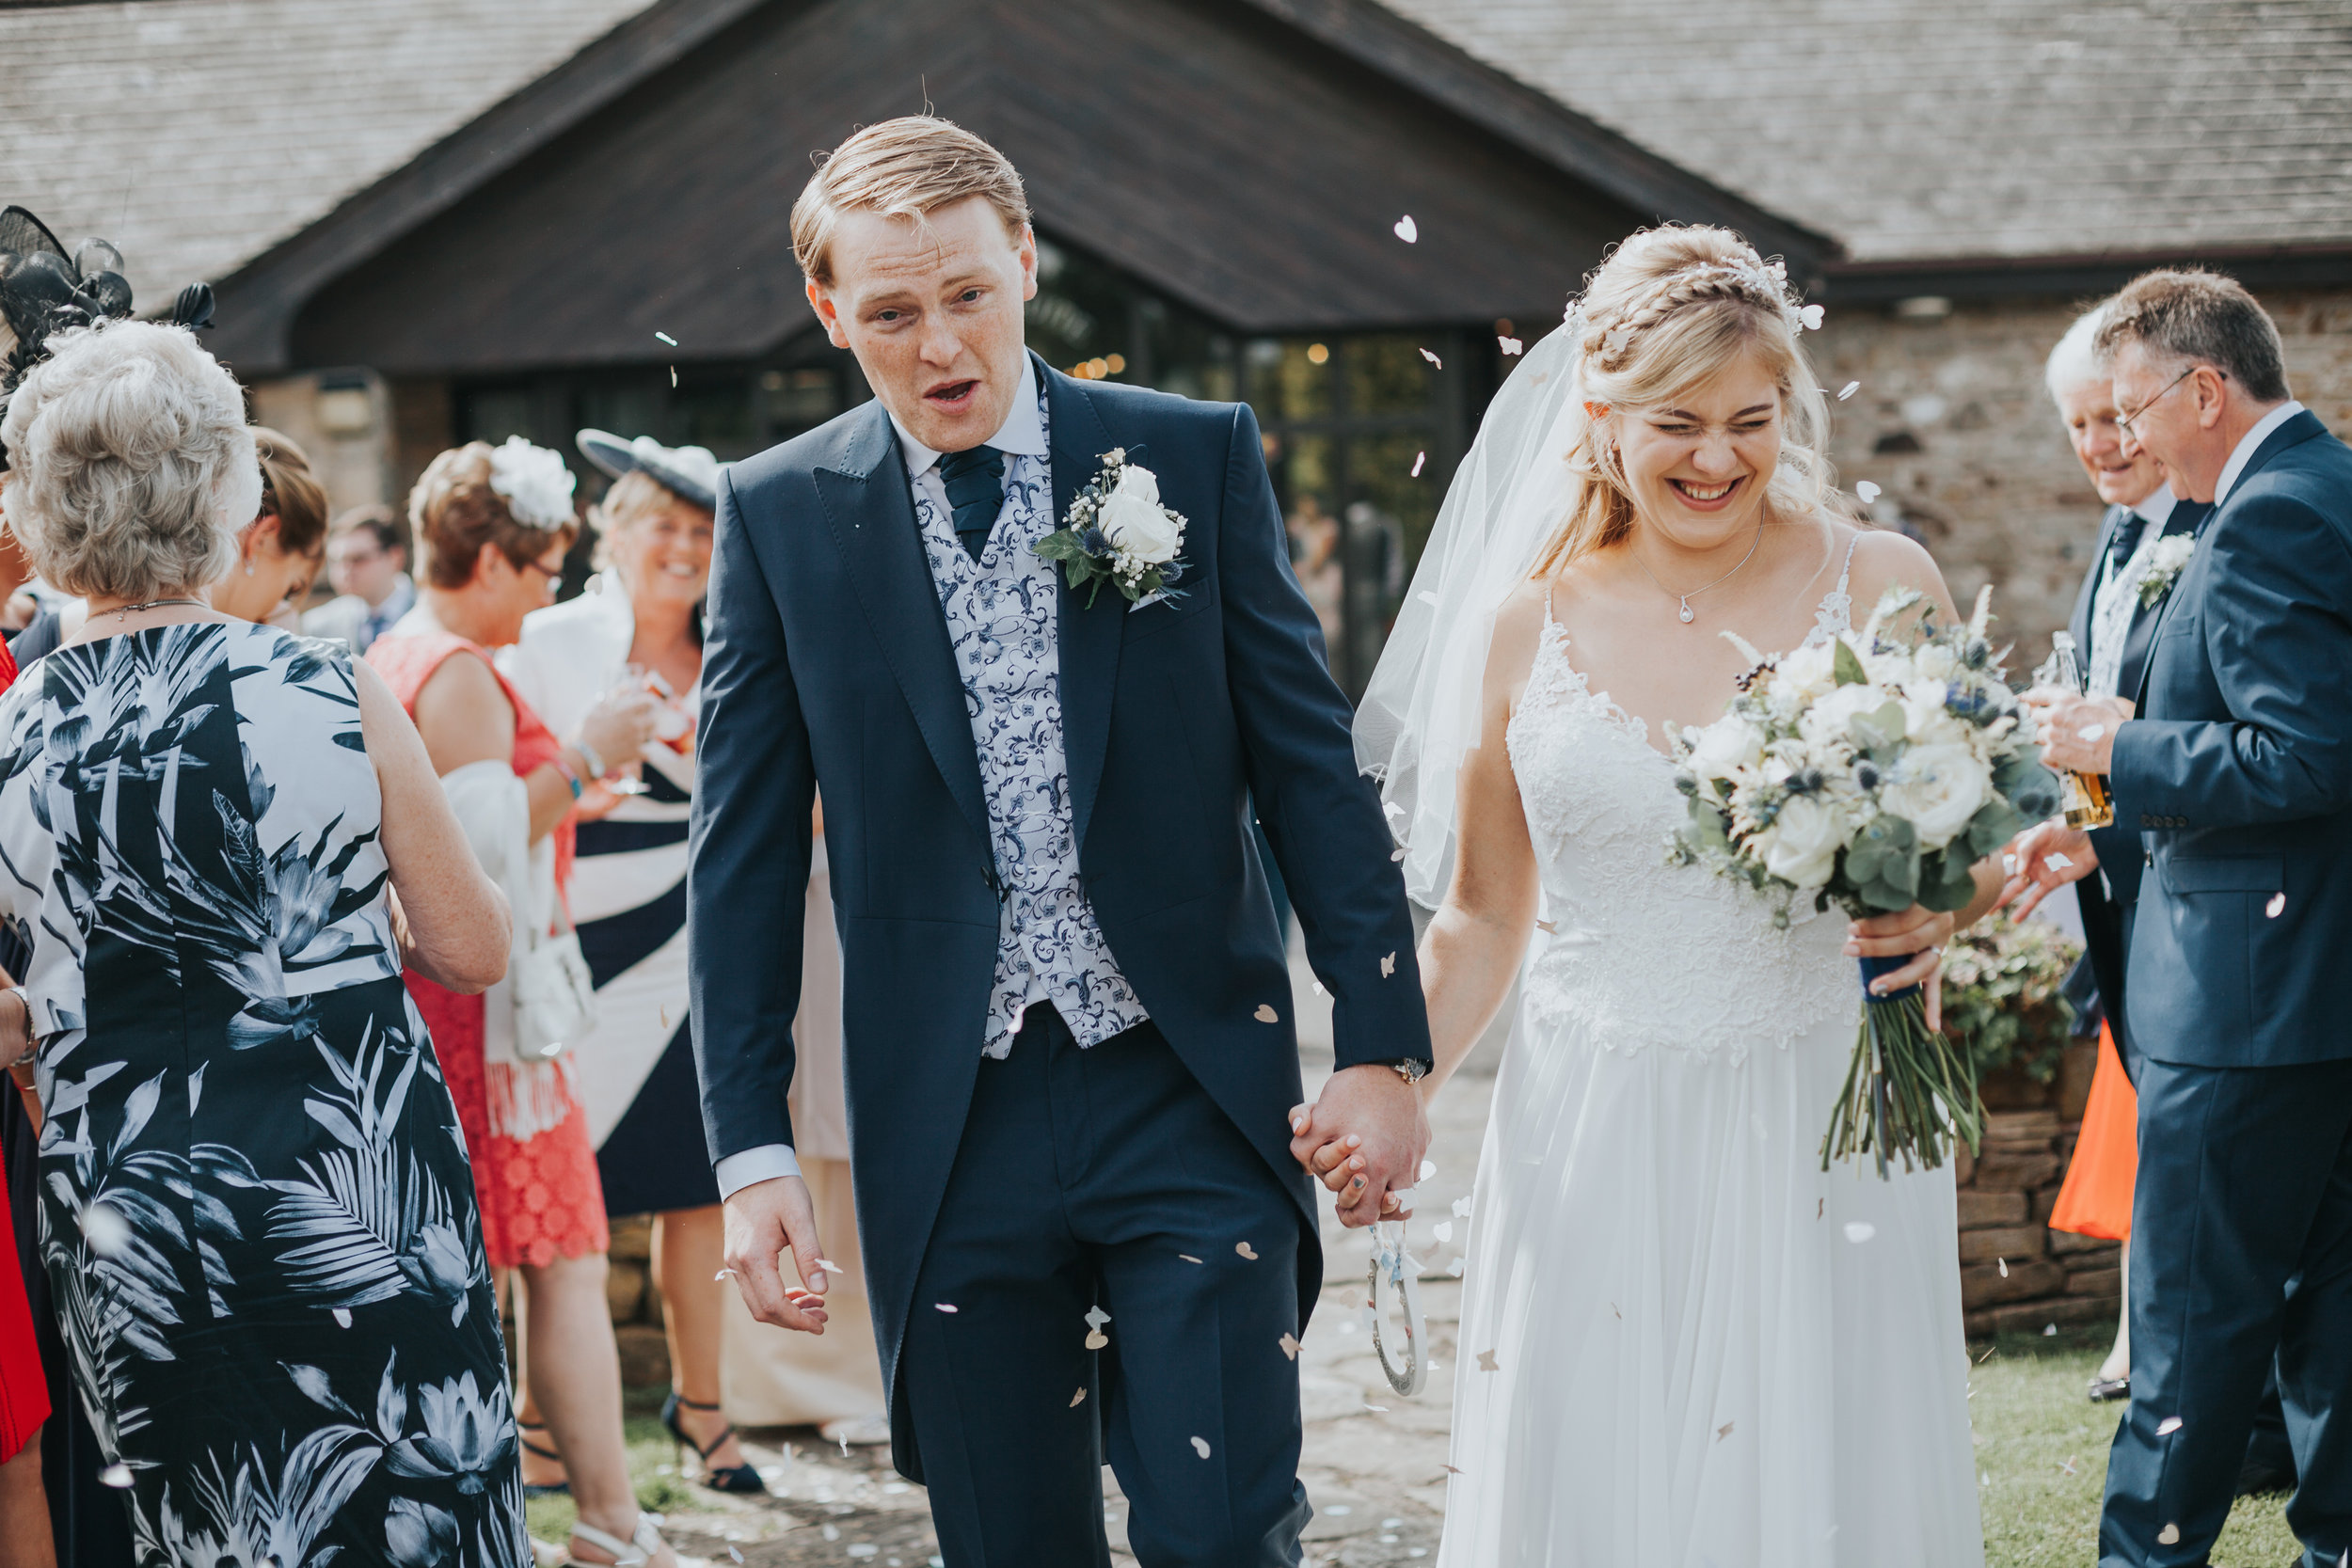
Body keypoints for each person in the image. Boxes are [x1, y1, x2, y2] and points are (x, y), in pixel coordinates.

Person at [691, 116, 1430, 1564]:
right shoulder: (777, 513)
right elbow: (745, 857)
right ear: (832, 314)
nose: (940, 342)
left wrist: (1381, 1043)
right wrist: (750, 1146)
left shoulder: (1185, 455)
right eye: (892, 311)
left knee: (1225, 1528)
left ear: (1025, 264)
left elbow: (1307, 769)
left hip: (1189, 1080)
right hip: (946, 1118)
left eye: (969, 292)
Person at [1343, 227, 1993, 1563]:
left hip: (1825, 1101)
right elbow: (1481, 912)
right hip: (1595, 1113)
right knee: (1605, 1469)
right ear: (1601, 415)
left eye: (1750, 421)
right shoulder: (1523, 625)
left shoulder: (1881, 585)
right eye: (1677, 423)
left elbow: (1984, 833)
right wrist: (1400, 1084)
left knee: (1826, 1457)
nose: (1717, 459)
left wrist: (1944, 903)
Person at [0, 318, 527, 1564]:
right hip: (360, 1188)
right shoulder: (325, 685)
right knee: (415, 1514)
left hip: (137, 1212)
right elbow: (471, 946)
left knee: (215, 1526)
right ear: (232, 496)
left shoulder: (9, 721)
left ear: (44, 515)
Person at [2018, 269, 2352, 1568]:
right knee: (2331, 1317)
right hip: (2309, 985)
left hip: (2247, 995)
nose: (2128, 438)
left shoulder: (2268, 516)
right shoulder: (2322, 486)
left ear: (2205, 388)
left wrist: (2124, 744)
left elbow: (2305, 756)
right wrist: (2098, 805)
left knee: (2189, 1333)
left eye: (2138, 406)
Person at [367, 438, 675, 1568]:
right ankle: (607, 1519)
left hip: (452, 1012)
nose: (551, 590)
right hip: (487, 1024)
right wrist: (592, 753)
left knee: (514, 1264)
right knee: (563, 1256)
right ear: (490, 558)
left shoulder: (398, 648)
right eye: (544, 568)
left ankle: (570, 1515)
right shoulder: (453, 671)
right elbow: (477, 850)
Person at [2031, 303, 2208, 1404]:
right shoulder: (2116, 539)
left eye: (2114, 418)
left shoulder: (2204, 533)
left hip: (2193, 898)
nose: (2099, 444)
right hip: (2120, 887)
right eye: (2077, 424)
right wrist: (2080, 825)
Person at [306, 505, 417, 654]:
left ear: (395, 558)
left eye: (358, 559)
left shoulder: (431, 614)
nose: (345, 571)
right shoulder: (318, 626)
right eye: (337, 561)